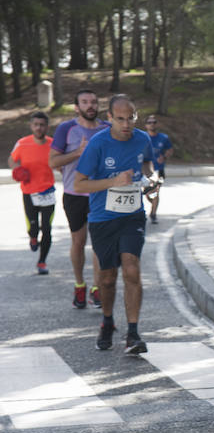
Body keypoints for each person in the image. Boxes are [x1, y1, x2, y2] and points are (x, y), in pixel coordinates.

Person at [73, 94, 153, 355]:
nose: (126, 124)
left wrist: (152, 182)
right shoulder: (98, 144)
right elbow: (79, 184)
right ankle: (107, 321)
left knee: (131, 268)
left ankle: (133, 333)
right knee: (107, 279)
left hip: (133, 215)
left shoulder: (143, 139)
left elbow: (148, 167)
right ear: (109, 118)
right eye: (120, 119)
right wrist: (113, 182)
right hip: (102, 218)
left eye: (130, 118)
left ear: (136, 117)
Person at [49, 89, 108, 308]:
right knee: (79, 242)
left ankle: (97, 288)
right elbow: (53, 162)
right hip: (75, 194)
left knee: (99, 244)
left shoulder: (107, 129)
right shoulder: (66, 129)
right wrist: (77, 153)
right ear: (77, 106)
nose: (90, 105)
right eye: (85, 102)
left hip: (101, 193)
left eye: (93, 101)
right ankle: (79, 284)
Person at [9, 112, 56, 275]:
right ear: (31, 126)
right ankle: (33, 237)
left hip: (48, 191)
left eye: (42, 124)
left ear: (46, 127)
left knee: (47, 228)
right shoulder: (22, 143)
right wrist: (18, 170)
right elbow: (12, 159)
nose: (39, 127)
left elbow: (59, 161)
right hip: (29, 191)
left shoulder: (53, 144)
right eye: (36, 124)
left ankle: (42, 262)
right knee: (33, 225)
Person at [144, 114, 172, 224]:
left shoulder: (163, 138)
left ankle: (153, 213)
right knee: (148, 193)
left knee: (156, 191)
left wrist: (164, 157)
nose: (152, 124)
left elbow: (170, 149)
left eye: (154, 122)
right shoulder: (143, 137)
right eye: (149, 122)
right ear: (146, 125)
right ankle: (154, 203)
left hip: (159, 170)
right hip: (146, 171)